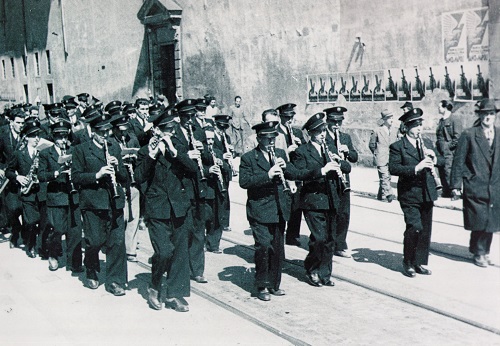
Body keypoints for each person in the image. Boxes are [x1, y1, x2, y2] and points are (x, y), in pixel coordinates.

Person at [134, 108, 198, 312]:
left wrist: (175, 151)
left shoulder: (177, 147)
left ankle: (174, 294)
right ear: (157, 131)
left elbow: (192, 169)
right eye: (167, 130)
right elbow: (138, 177)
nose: (171, 132)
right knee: (163, 252)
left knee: (179, 252)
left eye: (173, 129)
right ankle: (154, 285)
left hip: (179, 206)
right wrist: (152, 156)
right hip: (157, 209)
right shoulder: (146, 151)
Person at [239, 120, 304, 301]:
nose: (271, 142)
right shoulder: (249, 158)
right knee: (263, 247)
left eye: (273, 138)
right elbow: (244, 182)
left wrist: (287, 168)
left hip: (278, 209)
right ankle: (261, 286)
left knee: (277, 249)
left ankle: (275, 284)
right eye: (267, 139)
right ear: (259, 139)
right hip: (259, 210)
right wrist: (267, 175)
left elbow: (293, 173)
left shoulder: (281, 153)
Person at [71, 107, 128, 296]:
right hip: (93, 203)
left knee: (117, 243)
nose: (106, 135)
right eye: (101, 132)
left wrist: (117, 167)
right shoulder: (80, 149)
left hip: (114, 201)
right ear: (93, 132)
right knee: (94, 241)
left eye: (108, 131)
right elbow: (76, 177)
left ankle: (115, 281)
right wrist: (97, 174)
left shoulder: (114, 147)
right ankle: (92, 271)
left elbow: (124, 177)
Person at [291, 112, 345, 287]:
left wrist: (340, 162)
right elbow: (300, 173)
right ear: (311, 133)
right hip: (313, 200)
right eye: (319, 131)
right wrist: (321, 170)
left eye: (324, 130)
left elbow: (347, 167)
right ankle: (312, 268)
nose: (323, 134)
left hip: (331, 198)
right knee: (319, 238)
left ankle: (325, 273)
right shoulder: (302, 152)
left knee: (330, 238)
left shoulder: (330, 148)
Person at [389, 108, 442, 278]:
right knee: (415, 227)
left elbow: (440, 161)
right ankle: (408, 262)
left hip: (427, 192)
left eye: (420, 124)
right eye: (415, 125)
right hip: (409, 193)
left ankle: (419, 262)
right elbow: (393, 168)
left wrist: (434, 158)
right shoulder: (398, 146)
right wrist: (415, 168)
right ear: (407, 127)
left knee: (425, 230)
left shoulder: (425, 143)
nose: (419, 128)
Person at [450, 99, 500, 268]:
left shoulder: (499, 134)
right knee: (480, 219)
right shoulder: (469, 134)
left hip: (495, 186)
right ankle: (479, 252)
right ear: (480, 115)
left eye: (491, 114)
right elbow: (458, 161)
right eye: (485, 114)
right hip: (476, 185)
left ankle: (484, 251)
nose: (488, 117)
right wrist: (456, 185)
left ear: (495, 116)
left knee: (491, 221)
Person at [38, 119, 83, 272]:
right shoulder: (45, 153)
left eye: (65, 137)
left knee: (75, 231)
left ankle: (75, 263)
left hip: (72, 196)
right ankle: (52, 253)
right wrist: (56, 173)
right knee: (57, 229)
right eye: (59, 137)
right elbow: (41, 175)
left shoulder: (74, 151)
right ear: (53, 137)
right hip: (56, 197)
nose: (63, 140)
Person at [106, 102, 141, 263]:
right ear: (114, 130)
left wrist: (134, 158)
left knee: (134, 217)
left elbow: (141, 157)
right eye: (120, 131)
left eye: (125, 131)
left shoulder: (132, 139)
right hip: (119, 184)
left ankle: (131, 250)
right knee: (124, 217)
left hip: (133, 183)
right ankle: (117, 245)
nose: (123, 134)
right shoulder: (109, 143)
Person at [6, 119, 44, 257]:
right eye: (33, 136)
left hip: (41, 191)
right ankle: (31, 244)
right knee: (31, 221)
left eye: (38, 135)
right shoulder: (19, 154)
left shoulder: (43, 152)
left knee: (42, 221)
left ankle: (39, 245)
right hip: (26, 192)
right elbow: (8, 171)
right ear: (26, 137)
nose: (36, 139)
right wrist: (18, 178)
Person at [324, 106, 358, 258]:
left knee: (344, 213)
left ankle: (340, 244)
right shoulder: (323, 137)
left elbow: (355, 157)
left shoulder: (345, 137)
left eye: (339, 122)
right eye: (333, 121)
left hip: (344, 180)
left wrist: (347, 152)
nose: (337, 125)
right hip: (329, 179)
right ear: (328, 121)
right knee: (331, 212)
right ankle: (329, 243)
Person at [276, 103, 306, 246]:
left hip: (296, 172)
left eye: (291, 117)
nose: (289, 120)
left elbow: (307, 151)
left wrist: (300, 146)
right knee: (284, 203)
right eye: (286, 117)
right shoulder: (275, 132)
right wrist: (287, 150)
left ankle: (293, 235)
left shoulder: (298, 132)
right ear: (280, 117)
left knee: (297, 205)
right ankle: (280, 233)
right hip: (283, 172)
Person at [369, 109, 398, 203]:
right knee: (384, 176)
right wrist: (377, 152)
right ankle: (389, 194)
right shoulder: (377, 130)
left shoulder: (394, 130)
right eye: (390, 118)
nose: (392, 120)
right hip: (381, 157)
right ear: (384, 119)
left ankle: (380, 194)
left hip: (391, 157)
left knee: (387, 177)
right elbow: (372, 144)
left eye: (393, 118)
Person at [435, 100, 461, 198]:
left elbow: (457, 137)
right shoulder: (441, 120)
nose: (438, 108)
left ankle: (454, 191)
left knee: (448, 170)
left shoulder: (454, 119)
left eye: (440, 107)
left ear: (445, 108)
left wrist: (448, 147)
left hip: (449, 150)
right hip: (440, 149)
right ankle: (446, 190)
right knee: (441, 169)